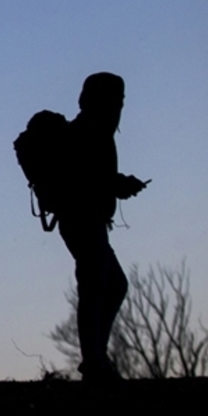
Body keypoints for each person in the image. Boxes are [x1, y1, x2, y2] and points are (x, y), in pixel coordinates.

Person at [58, 72, 148, 382]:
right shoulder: (88, 131)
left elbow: (93, 178)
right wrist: (120, 184)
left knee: (112, 285)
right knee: (95, 286)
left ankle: (96, 357)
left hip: (89, 220)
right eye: (116, 100)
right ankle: (94, 361)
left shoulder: (92, 130)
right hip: (81, 220)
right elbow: (86, 178)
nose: (119, 106)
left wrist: (117, 185)